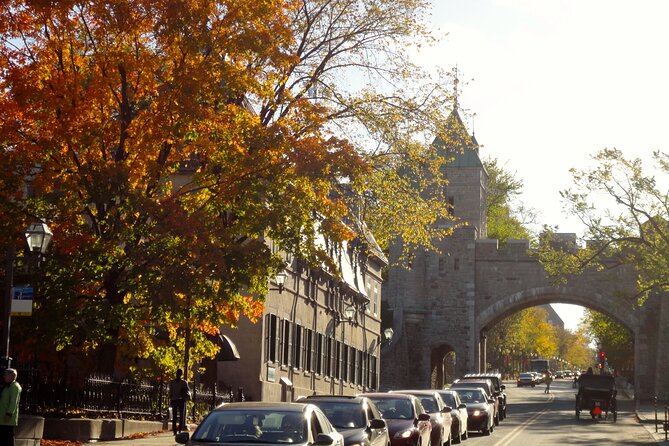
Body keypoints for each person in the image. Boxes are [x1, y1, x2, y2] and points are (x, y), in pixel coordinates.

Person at [0, 368, 22, 446]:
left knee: (8, 438)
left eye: (5, 374)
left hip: (8, 418)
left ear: (12, 376)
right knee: (3, 438)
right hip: (3, 417)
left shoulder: (15, 387)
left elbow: (13, 402)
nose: (4, 376)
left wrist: (9, 414)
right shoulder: (7, 386)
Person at [168, 368, 191, 435]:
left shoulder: (183, 382)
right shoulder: (172, 382)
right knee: (175, 416)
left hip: (180, 400)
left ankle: (179, 430)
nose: (178, 374)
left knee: (180, 416)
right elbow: (170, 391)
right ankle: (175, 430)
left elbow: (187, 390)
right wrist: (170, 397)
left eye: (179, 373)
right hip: (175, 400)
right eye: (178, 373)